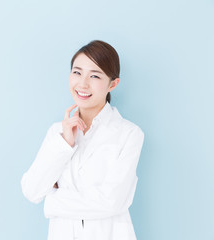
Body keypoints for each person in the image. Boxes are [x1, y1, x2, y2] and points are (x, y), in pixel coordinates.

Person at [20, 40, 145, 240]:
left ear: (113, 84)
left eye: (94, 76)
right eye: (77, 72)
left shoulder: (129, 134)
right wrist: (64, 144)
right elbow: (32, 190)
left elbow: (111, 201)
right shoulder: (57, 133)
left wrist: (52, 200)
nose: (83, 83)